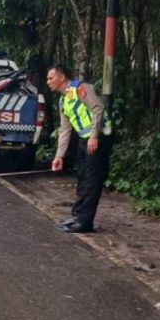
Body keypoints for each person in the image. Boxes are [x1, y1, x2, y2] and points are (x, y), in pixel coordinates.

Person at [47, 65, 111, 233]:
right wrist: (59, 156)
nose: (48, 82)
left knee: (92, 180)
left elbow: (98, 109)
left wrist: (94, 136)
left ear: (61, 77)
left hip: (99, 138)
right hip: (84, 140)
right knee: (82, 178)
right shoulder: (63, 100)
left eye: (50, 78)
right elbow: (65, 130)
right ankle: (77, 216)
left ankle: (85, 222)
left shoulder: (81, 88)